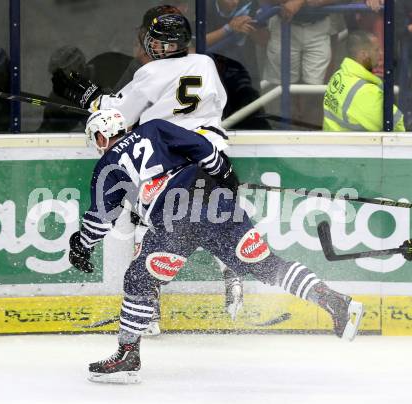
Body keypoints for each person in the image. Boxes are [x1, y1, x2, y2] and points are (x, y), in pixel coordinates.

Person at [70, 109, 364, 384]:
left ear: (101, 135)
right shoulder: (154, 128)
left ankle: (127, 356)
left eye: (95, 139)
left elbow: (100, 219)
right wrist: (225, 175)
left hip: (175, 218)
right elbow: (204, 149)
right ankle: (335, 301)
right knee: (266, 266)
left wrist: (81, 245)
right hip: (215, 200)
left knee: (138, 279)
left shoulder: (108, 164)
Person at [52, 13, 245, 334]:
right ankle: (233, 271)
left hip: (168, 158)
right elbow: (215, 102)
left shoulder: (150, 72)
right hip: (210, 153)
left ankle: (149, 310)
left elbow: (119, 115)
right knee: (216, 218)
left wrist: (91, 97)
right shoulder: (205, 64)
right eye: (151, 40)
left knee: (149, 226)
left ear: (172, 46)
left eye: (159, 42)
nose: (152, 46)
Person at [323, 30, 405, 132]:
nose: (381, 54)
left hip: (332, 142)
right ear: (364, 55)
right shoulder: (368, 92)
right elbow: (397, 125)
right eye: (376, 50)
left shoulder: (339, 75)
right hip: (357, 146)